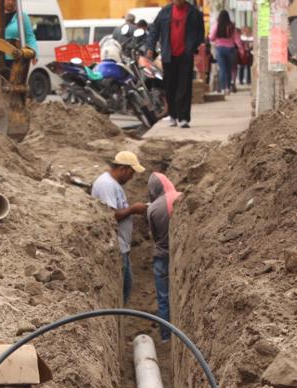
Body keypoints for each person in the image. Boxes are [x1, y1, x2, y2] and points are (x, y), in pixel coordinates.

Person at [91, 151, 147, 305]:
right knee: (124, 288)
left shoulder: (112, 184)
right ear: (122, 168)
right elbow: (110, 216)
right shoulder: (106, 185)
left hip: (122, 246)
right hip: (115, 247)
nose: (131, 177)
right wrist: (133, 209)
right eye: (131, 173)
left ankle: (122, 312)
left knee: (127, 286)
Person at [147, 0, 204, 129]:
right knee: (170, 86)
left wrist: (193, 48)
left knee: (184, 86)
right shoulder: (164, 12)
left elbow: (200, 33)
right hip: (168, 55)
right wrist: (150, 47)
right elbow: (154, 30)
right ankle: (172, 115)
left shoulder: (194, 13)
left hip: (185, 56)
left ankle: (183, 118)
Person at [144, 172, 180, 341]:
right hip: (179, 256)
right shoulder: (181, 198)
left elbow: (156, 236)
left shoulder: (153, 208)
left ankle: (166, 337)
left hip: (161, 257)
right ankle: (179, 336)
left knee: (164, 299)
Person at [210, 10, 244, 95]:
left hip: (220, 49)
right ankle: (228, 88)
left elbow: (211, 37)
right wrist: (241, 49)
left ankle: (222, 89)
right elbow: (237, 39)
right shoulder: (232, 26)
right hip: (230, 50)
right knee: (229, 69)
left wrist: (217, 40)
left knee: (222, 69)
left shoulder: (217, 25)